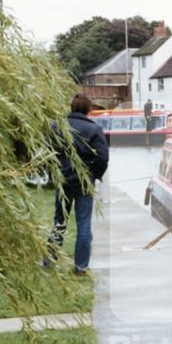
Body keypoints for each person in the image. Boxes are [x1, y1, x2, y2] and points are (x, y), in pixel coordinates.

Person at [47, 93, 109, 276]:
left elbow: (49, 152)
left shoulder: (57, 126)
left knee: (59, 221)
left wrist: (56, 172)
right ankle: (80, 267)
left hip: (63, 180)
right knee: (83, 224)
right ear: (88, 109)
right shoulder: (95, 129)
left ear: (72, 107)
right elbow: (103, 158)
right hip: (84, 182)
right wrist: (93, 175)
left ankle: (49, 261)